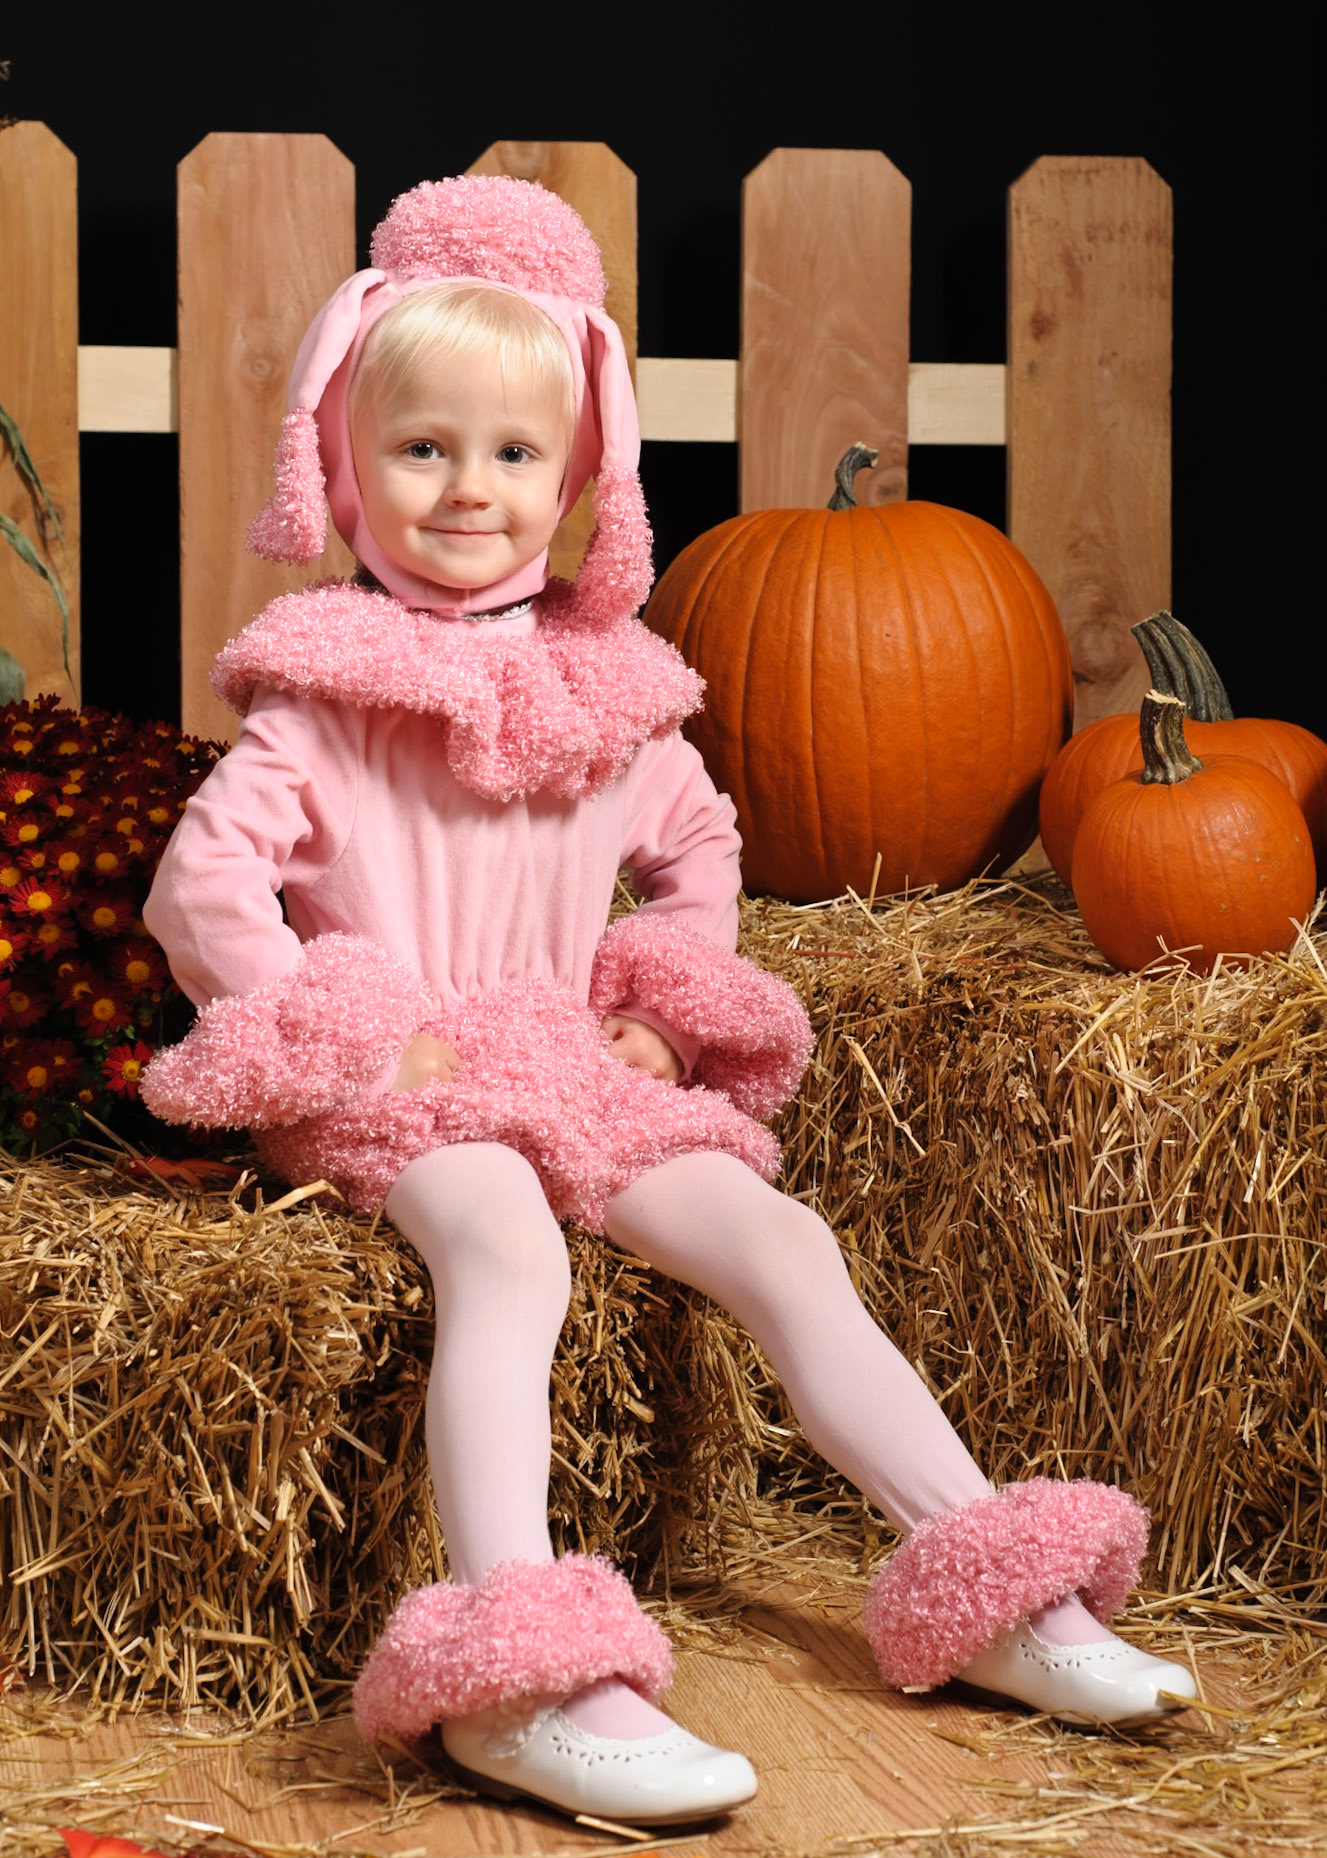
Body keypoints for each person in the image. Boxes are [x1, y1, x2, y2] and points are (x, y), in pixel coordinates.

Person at [141, 176, 1196, 1829]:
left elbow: (702, 846)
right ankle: (523, 1671)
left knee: (785, 1242)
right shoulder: (323, 693)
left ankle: (985, 1575)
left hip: (561, 1052)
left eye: (512, 456)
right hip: (395, 1069)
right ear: (341, 457)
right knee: (505, 1236)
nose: (468, 491)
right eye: (420, 449)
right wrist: (343, 1025)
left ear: (577, 475)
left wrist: (662, 999)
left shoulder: (609, 690)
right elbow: (202, 890)